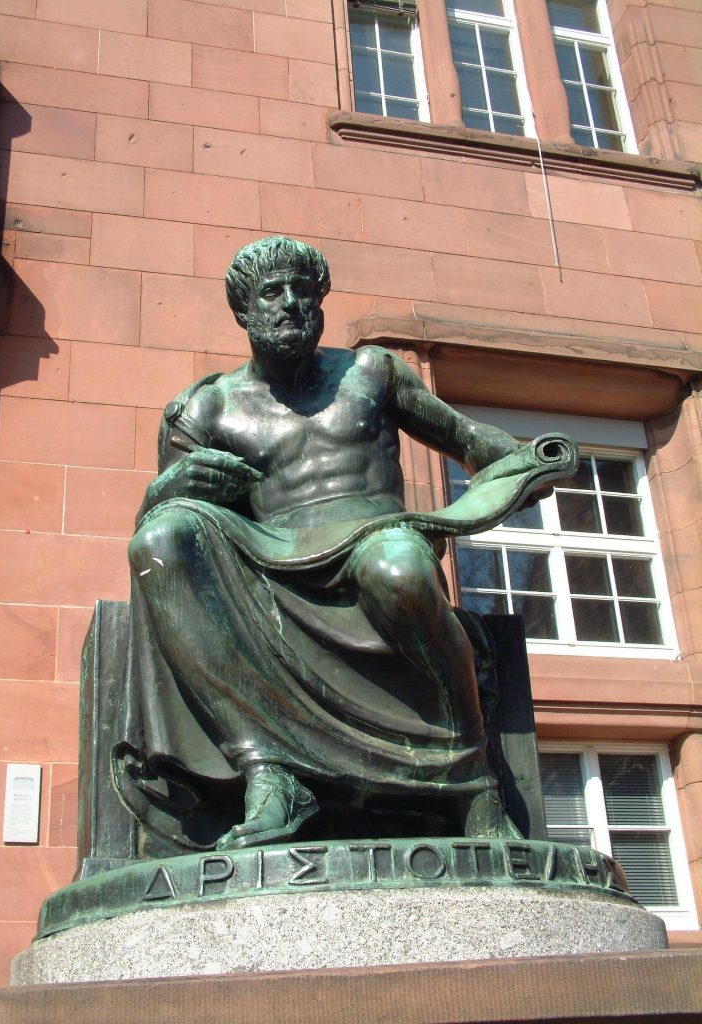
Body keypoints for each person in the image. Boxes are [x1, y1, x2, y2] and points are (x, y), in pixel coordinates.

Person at [118, 236, 573, 852]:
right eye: (271, 293)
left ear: (322, 305)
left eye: (303, 292)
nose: (289, 305)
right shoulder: (207, 409)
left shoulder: (373, 372)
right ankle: (270, 771)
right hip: (269, 554)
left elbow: (467, 439)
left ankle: (474, 780)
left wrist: (527, 463)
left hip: (374, 534)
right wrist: (166, 486)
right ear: (243, 312)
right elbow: (164, 519)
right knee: (162, 540)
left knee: (396, 569)